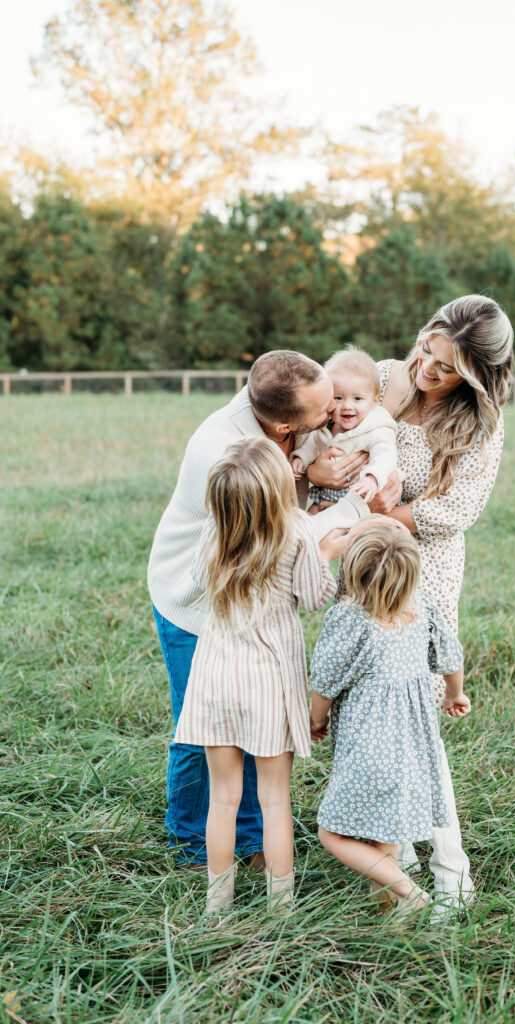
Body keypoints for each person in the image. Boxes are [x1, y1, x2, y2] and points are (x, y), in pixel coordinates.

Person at [309, 295, 514, 910]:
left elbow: (456, 512)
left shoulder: (481, 425)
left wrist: (380, 514)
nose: (428, 369)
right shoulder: (375, 377)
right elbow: (311, 430)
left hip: (417, 573)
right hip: (361, 566)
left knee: (417, 723)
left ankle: (451, 873)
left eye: (447, 367)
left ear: (476, 377)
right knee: (365, 712)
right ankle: (387, 864)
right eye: (428, 349)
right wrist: (323, 478)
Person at [148, 350, 369, 866]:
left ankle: (246, 839)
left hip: (251, 602)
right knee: (199, 724)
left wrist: (314, 468)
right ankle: (191, 843)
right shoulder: (219, 448)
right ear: (284, 423)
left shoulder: (286, 406)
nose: (333, 413)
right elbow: (271, 539)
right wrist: (348, 511)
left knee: (256, 721)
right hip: (197, 600)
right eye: (323, 410)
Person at [174, 438, 346, 916]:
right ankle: (281, 905)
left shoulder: (215, 531)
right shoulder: (296, 531)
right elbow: (315, 597)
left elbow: (195, 583)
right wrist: (326, 552)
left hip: (215, 679)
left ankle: (217, 903)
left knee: (223, 799)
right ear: (277, 487)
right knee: (274, 801)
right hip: (269, 680)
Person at [309, 519, 469, 921]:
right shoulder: (423, 606)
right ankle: (393, 919)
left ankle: (408, 891)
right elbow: (450, 659)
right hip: (414, 745)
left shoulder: (349, 617)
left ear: (352, 571)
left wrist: (315, 720)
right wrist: (455, 695)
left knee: (331, 834)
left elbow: (326, 681)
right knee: (383, 839)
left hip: (367, 747)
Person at [290, 348, 398, 510]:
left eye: (357, 399)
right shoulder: (326, 426)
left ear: (374, 401)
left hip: (361, 498)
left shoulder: (376, 429)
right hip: (326, 495)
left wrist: (372, 478)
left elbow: (386, 456)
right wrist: (301, 459)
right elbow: (312, 445)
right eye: (338, 398)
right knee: (307, 525)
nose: (347, 406)